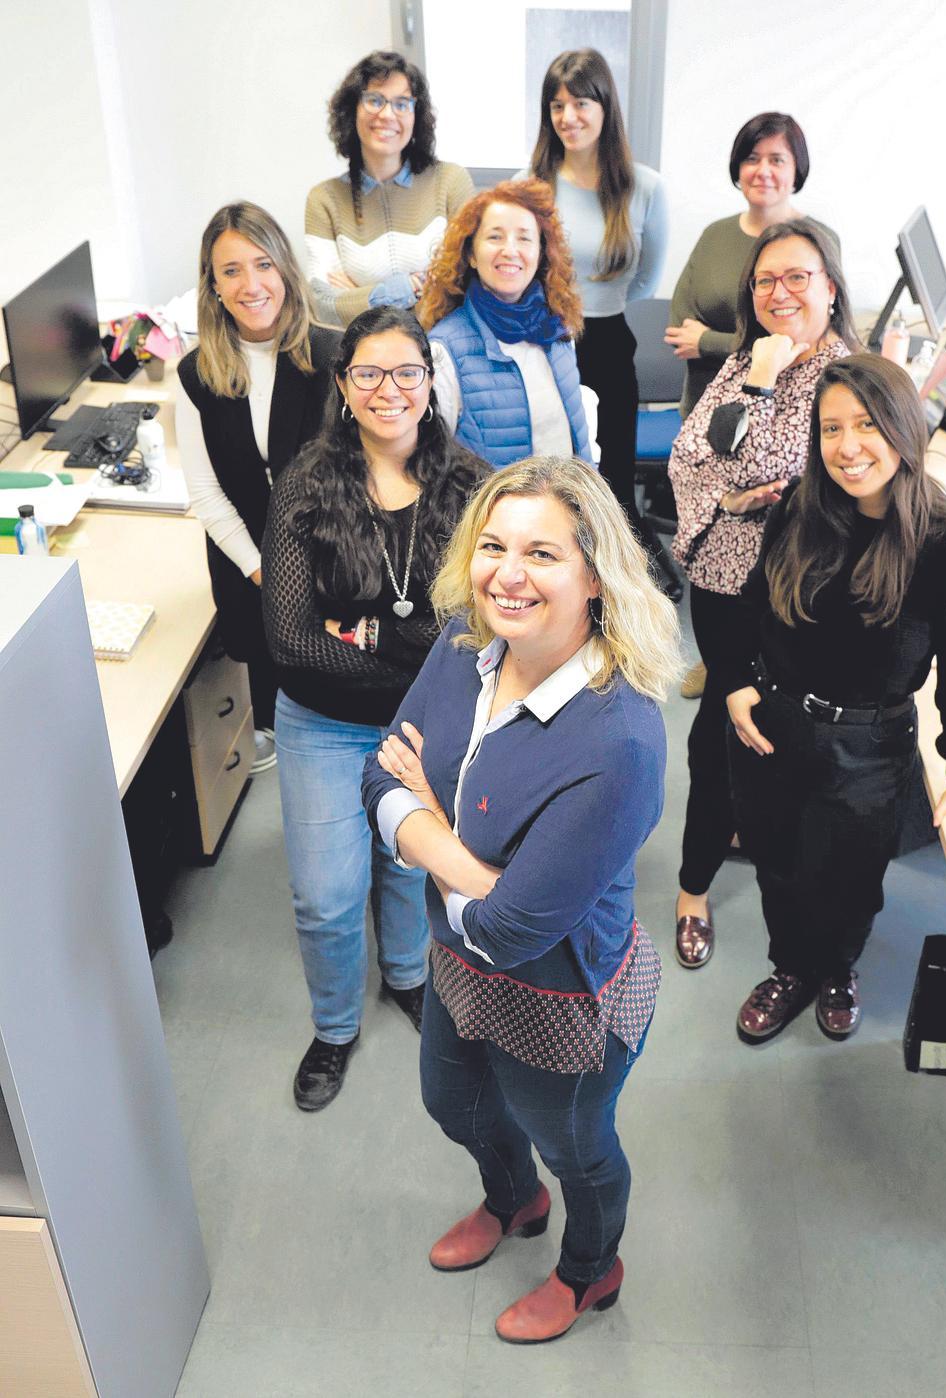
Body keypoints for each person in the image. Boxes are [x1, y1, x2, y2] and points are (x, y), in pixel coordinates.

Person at [362, 457, 681, 1343]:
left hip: (563, 991)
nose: (508, 573)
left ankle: (589, 1269)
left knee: (575, 1146)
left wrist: (421, 830)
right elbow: (376, 776)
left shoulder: (619, 738)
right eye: (493, 546)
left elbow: (510, 934)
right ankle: (514, 1202)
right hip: (456, 962)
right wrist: (468, 863)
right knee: (451, 1105)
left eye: (543, 553)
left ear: (594, 576)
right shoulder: (465, 642)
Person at [711, 354, 946, 1044]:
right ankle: (790, 967)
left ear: (905, 427)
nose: (847, 448)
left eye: (867, 426)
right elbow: (754, 602)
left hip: (867, 747)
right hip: (772, 726)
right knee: (777, 862)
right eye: (831, 428)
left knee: (847, 879)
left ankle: (838, 966)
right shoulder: (802, 506)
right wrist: (734, 682)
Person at [261, 306, 487, 1110]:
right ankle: (333, 1028)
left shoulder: (468, 480)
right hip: (320, 723)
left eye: (406, 373)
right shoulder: (306, 481)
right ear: (343, 384)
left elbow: (483, 620)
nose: (388, 390)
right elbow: (288, 641)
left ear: (429, 382)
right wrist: (411, 645)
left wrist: (362, 635)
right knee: (325, 896)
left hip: (421, 726)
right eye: (368, 373)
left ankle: (404, 978)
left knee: (405, 866)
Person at [668, 217, 859, 972]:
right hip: (724, 584)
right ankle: (691, 888)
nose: (779, 292)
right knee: (718, 732)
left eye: (797, 277)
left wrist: (742, 484)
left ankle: (771, 859)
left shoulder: (848, 377)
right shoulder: (752, 360)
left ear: (831, 287)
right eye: (765, 280)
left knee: (777, 737)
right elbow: (695, 459)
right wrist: (757, 379)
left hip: (799, 594)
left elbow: (776, 470)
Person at [177, 202, 340, 773]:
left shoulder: (332, 356)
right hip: (248, 562)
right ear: (213, 285)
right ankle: (269, 728)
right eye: (231, 271)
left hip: (333, 562)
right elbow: (205, 495)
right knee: (269, 667)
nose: (251, 285)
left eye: (263, 264)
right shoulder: (197, 373)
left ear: (286, 271)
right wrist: (263, 570)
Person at [527, 48, 680, 598]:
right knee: (556, 472)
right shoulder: (535, 184)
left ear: (605, 106)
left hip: (611, 337)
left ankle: (613, 582)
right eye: (557, 105)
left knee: (613, 472)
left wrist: (600, 299)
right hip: (547, 340)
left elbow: (645, 280)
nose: (568, 117)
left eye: (580, 103)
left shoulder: (645, 187)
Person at [666, 112, 837, 422]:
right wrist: (748, 344)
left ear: (797, 168)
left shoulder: (820, 242)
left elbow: (802, 342)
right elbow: (681, 327)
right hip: (705, 408)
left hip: (781, 417)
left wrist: (708, 342)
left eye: (777, 160)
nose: (763, 171)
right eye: (752, 159)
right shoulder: (715, 234)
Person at [418, 178, 595, 467]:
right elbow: (433, 465)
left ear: (540, 253)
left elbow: (580, 444)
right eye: (495, 237)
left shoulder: (558, 331)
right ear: (471, 254)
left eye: (524, 238)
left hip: (565, 505)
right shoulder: (444, 349)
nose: (510, 250)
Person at [305, 50, 473, 328]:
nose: (387, 114)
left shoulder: (451, 181)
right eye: (374, 100)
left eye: (401, 103)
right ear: (352, 110)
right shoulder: (324, 200)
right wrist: (413, 286)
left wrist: (356, 296)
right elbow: (322, 305)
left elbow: (467, 282)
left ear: (415, 114)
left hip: (445, 351)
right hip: (369, 358)